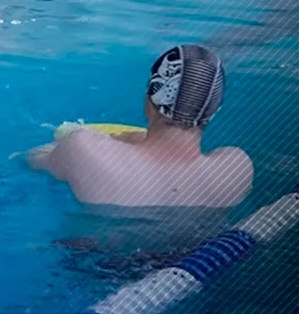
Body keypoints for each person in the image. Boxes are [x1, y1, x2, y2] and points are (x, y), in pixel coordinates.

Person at [29, 45, 253, 208]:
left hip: (98, 255)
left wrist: (106, 139)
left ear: (150, 97)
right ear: (214, 110)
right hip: (200, 256)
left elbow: (33, 159)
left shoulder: (85, 149)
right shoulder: (236, 169)